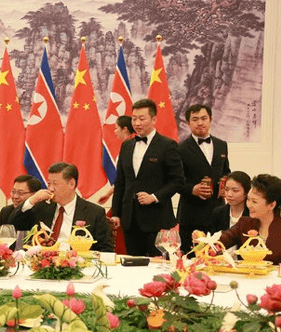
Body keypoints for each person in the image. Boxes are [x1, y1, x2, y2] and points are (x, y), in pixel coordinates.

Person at [111, 99, 185, 257]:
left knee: (156, 267)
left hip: (156, 220)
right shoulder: (127, 145)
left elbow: (178, 181)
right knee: (132, 265)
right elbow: (121, 182)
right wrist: (116, 213)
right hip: (129, 219)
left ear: (154, 119)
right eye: (134, 118)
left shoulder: (167, 145)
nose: (137, 123)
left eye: (142, 118)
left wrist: (154, 197)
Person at [10, 162, 114, 252]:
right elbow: (13, 224)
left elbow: (105, 249)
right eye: (49, 183)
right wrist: (31, 200)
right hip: (42, 265)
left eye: (55, 184)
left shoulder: (94, 212)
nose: (50, 188)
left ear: (71, 184)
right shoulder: (41, 207)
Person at [177, 104, 230, 253]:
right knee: (191, 261)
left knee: (218, 259)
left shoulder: (221, 145)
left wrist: (227, 185)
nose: (200, 123)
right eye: (195, 119)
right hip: (191, 216)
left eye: (203, 118)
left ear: (211, 120)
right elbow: (175, 181)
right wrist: (192, 189)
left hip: (218, 212)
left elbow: (226, 171)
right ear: (188, 123)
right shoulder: (179, 148)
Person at [219, 174, 281, 264]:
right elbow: (222, 240)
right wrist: (203, 241)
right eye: (248, 199)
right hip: (247, 276)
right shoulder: (245, 223)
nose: (249, 205)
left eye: (254, 201)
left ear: (271, 205)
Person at [98, 115, 135, 205]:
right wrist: (108, 194)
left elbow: (127, 178)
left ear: (125, 129)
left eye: (116, 128)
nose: (115, 132)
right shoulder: (125, 147)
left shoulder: (133, 147)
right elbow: (122, 178)